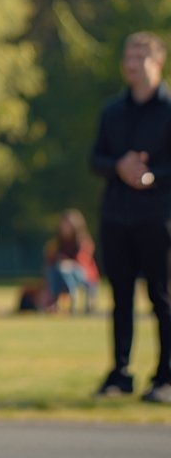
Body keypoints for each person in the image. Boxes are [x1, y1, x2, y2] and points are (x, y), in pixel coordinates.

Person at [90, 32, 171, 404]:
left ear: (158, 62)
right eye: (128, 56)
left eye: (140, 57)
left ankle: (165, 377)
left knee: (162, 298)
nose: (132, 63)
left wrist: (152, 175)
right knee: (120, 298)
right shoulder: (112, 111)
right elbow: (96, 160)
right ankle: (119, 374)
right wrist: (118, 166)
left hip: (158, 218)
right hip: (117, 217)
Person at [43, 208, 99, 314]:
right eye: (63, 225)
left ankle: (73, 296)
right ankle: (53, 300)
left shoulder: (84, 241)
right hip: (61, 274)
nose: (65, 228)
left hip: (83, 274)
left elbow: (83, 262)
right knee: (53, 271)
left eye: (68, 225)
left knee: (65, 270)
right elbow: (50, 261)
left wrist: (69, 264)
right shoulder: (57, 243)